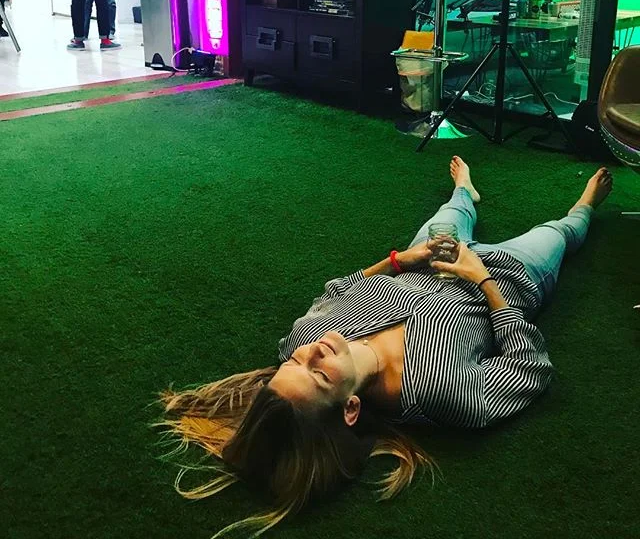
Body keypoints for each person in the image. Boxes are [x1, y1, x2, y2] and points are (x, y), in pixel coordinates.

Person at [159, 157, 613, 537]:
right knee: (560, 232)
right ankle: (584, 206)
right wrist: (483, 279)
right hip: (510, 275)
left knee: (451, 213)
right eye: (318, 375)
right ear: (350, 409)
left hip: (426, 256)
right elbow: (529, 367)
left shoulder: (305, 335)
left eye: (295, 361)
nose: (314, 351)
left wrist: (399, 260)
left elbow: (342, 288)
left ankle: (465, 191)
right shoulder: (440, 393)